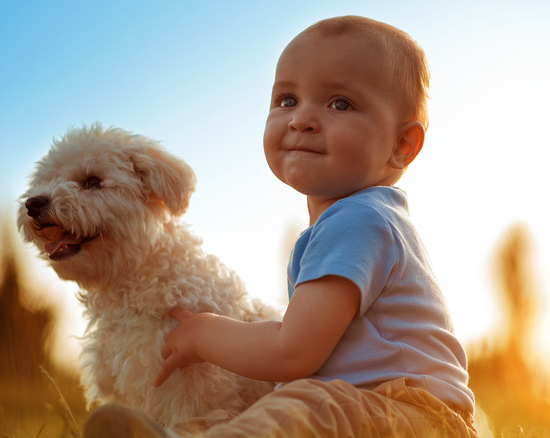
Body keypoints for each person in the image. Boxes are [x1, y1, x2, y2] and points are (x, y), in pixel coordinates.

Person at [86, 15, 477, 437]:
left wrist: (206, 334)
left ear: (402, 145)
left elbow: (294, 351)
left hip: (415, 418)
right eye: (287, 100)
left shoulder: (361, 219)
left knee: (302, 405)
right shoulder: (354, 221)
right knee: (252, 416)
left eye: (339, 103)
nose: (301, 119)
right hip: (368, 412)